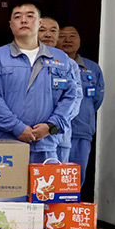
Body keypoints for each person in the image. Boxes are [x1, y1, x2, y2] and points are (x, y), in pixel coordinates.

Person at [0, 0, 82, 163]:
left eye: (30, 16)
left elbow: (71, 96)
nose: (24, 20)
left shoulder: (60, 58)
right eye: (18, 16)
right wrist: (16, 127)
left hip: (46, 145)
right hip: (4, 144)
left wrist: (51, 126)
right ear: (11, 24)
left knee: (45, 181)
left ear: (39, 23)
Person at [59, 24, 104, 182]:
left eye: (72, 36)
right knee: (51, 178)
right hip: (53, 132)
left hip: (80, 132)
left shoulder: (92, 68)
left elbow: (96, 100)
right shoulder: (50, 63)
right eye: (62, 36)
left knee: (75, 180)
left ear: (79, 39)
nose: (67, 40)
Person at [38, 16, 72, 161]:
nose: (48, 35)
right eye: (42, 30)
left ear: (58, 36)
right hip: (28, 134)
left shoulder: (68, 63)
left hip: (58, 133)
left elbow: (74, 99)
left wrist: (52, 125)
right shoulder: (23, 61)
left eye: (53, 31)